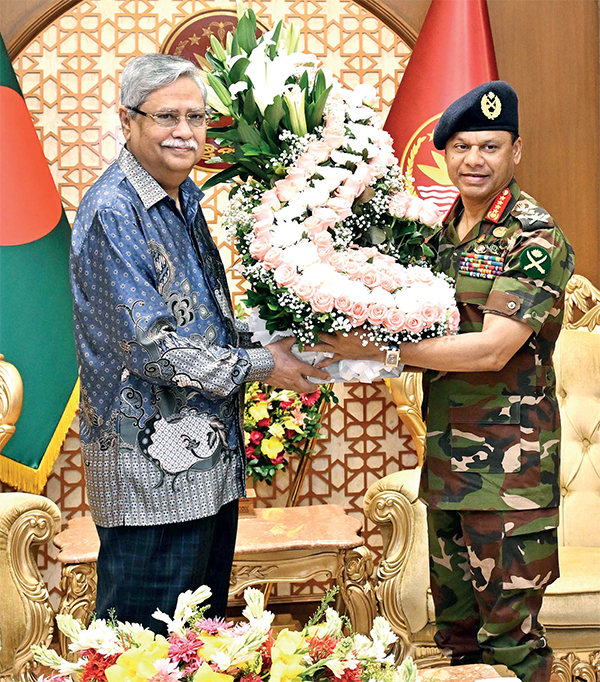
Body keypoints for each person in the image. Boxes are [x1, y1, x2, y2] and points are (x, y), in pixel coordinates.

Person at [312, 81, 574, 682]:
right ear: (444, 156)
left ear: (517, 151)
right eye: (461, 148)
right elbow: (407, 321)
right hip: (448, 466)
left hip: (511, 474)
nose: (474, 160)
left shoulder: (532, 236)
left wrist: (377, 347)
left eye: (490, 146)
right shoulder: (439, 236)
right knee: (456, 639)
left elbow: (490, 350)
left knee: (511, 645)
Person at [70, 53, 329, 630]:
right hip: (148, 478)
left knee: (195, 649)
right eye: (167, 117)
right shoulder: (114, 209)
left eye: (196, 117)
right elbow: (151, 347)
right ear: (127, 120)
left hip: (204, 469)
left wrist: (296, 335)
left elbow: (203, 321)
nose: (185, 132)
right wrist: (266, 364)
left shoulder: (181, 197)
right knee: (140, 651)